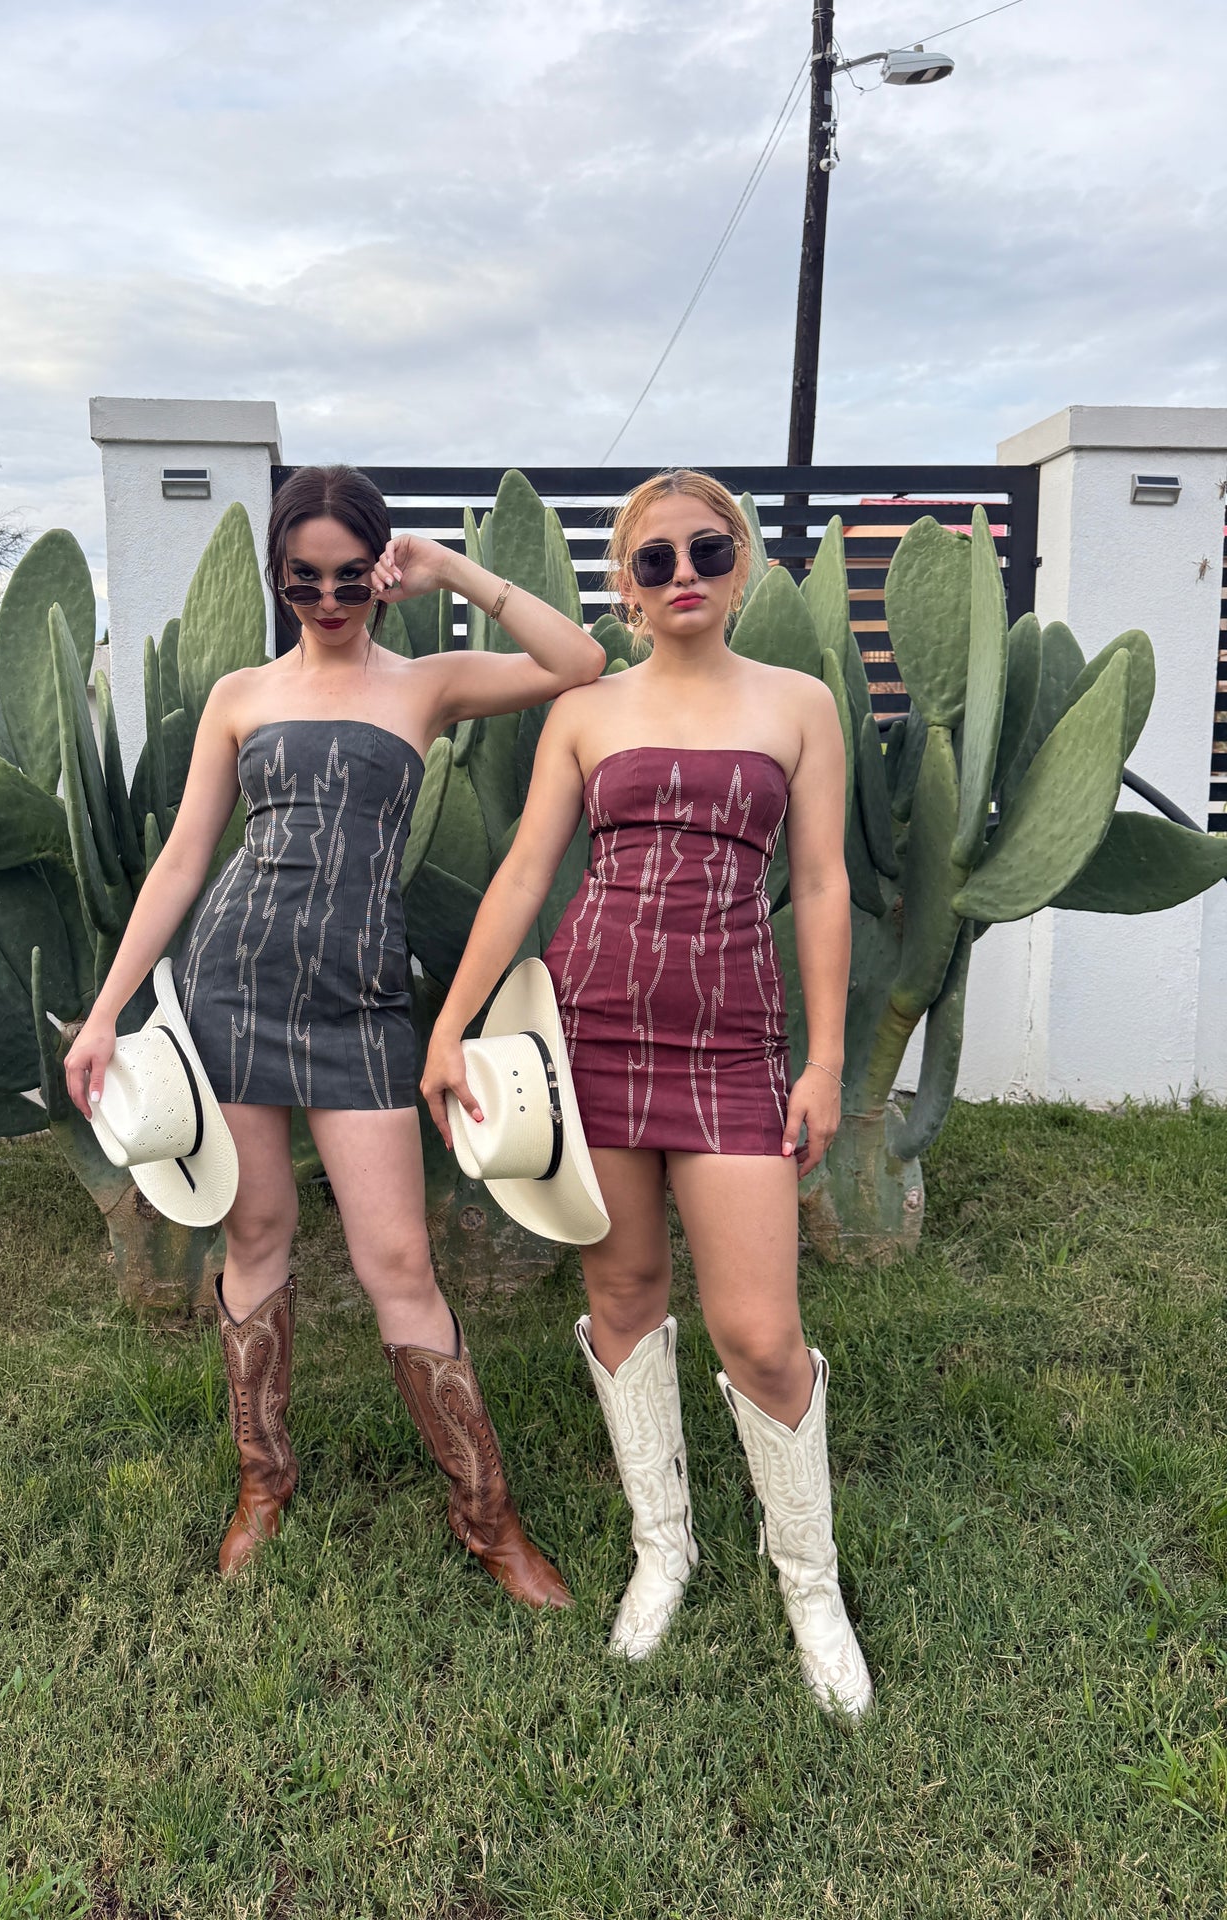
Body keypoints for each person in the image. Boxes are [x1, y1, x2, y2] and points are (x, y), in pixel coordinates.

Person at [64, 464, 605, 1607]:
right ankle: (264, 1482)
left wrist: (452, 569)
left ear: (380, 571)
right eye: (303, 578)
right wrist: (110, 1008)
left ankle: (488, 1517)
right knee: (256, 1233)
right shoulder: (241, 694)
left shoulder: (425, 683)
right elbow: (183, 858)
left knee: (397, 1261)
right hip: (234, 983)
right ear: (277, 576)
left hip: (360, 1000)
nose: (326, 598)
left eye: (350, 576)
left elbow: (578, 660)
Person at [421, 468, 873, 1718]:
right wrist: (452, 1023)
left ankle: (810, 1583)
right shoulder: (586, 710)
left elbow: (822, 884)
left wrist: (825, 1061)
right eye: (656, 558)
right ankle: (662, 1548)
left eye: (708, 550)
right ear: (626, 582)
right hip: (594, 1033)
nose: (684, 575)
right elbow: (525, 873)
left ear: (743, 564)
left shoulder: (800, 703)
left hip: (733, 1044)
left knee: (761, 1333)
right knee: (622, 1292)